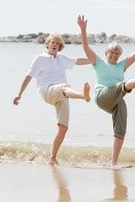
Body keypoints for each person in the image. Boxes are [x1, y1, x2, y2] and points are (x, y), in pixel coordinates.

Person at [77, 15, 135, 166]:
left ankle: (113, 163)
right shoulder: (98, 63)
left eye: (117, 54)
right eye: (111, 53)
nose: (114, 56)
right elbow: (86, 49)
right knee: (124, 85)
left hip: (115, 100)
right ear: (106, 53)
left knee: (121, 129)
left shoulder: (121, 66)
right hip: (102, 96)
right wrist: (83, 30)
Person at [13, 33, 91, 166]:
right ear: (47, 44)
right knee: (65, 86)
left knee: (63, 128)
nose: (55, 45)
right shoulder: (40, 59)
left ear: (60, 47)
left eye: (58, 43)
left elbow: (78, 61)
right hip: (48, 91)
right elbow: (28, 77)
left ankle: (52, 158)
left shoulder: (62, 58)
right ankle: (83, 96)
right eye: (53, 42)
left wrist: (96, 60)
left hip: (64, 94)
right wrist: (19, 94)